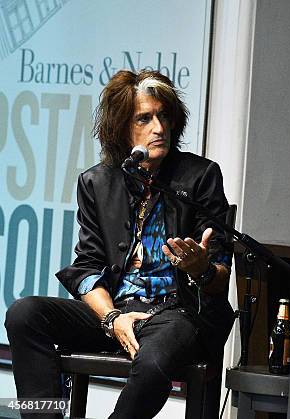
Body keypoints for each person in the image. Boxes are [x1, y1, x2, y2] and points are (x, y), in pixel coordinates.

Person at [5, 70, 235, 418]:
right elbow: (87, 265)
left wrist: (201, 268)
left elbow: (220, 275)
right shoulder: (96, 182)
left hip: (177, 313)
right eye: (145, 118)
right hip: (118, 310)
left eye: (164, 116)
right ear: (122, 129)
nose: (159, 128)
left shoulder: (200, 177)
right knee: (24, 314)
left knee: (154, 360)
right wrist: (113, 317)